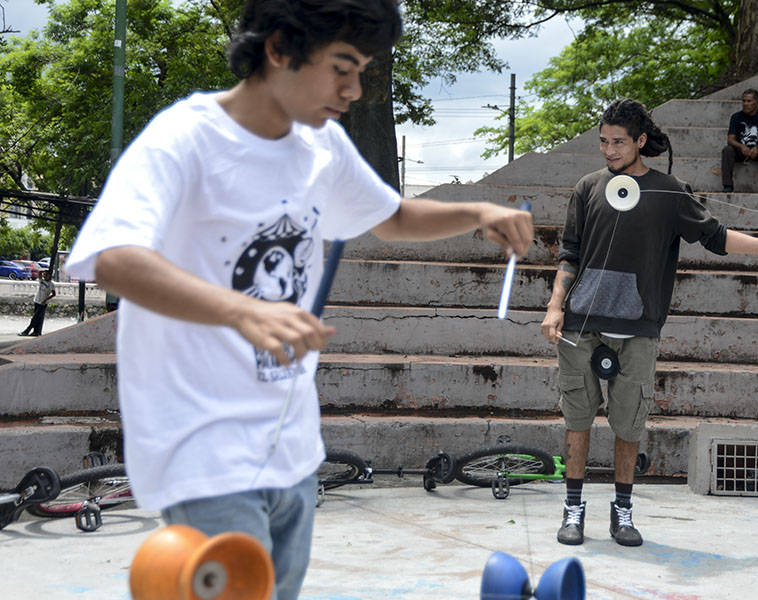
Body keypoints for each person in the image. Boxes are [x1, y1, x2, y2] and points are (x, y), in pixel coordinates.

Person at [65, 1, 532, 598]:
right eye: (342, 67)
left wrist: (478, 212)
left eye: (361, 70)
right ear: (279, 48)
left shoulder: (322, 148)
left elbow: (390, 216)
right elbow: (113, 257)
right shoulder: (185, 139)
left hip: (289, 446)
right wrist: (243, 309)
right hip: (201, 444)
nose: (355, 89)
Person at [540, 98, 758, 548]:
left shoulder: (668, 191)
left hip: (639, 329)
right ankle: (573, 509)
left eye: (618, 143)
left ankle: (622, 512)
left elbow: (716, 237)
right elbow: (570, 253)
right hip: (582, 327)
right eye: (603, 142)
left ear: (641, 141)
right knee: (577, 421)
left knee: (628, 426)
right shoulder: (587, 187)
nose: (609, 150)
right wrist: (554, 306)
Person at [721, 89, 758, 194]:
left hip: (757, 150)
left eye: (749, 101)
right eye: (744, 101)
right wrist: (741, 146)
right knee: (727, 150)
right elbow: (730, 139)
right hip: (740, 151)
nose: (746, 104)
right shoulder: (736, 117)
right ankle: (728, 185)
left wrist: (757, 148)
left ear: (757, 102)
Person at [19, 270, 56, 337]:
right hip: (37, 301)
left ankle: (27, 331)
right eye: (44, 275)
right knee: (38, 318)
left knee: (35, 318)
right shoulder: (42, 281)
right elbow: (39, 273)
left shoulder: (51, 284)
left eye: (46, 275)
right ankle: (36, 332)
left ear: (50, 276)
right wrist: (43, 271)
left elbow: (54, 294)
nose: (44, 276)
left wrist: (45, 300)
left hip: (43, 303)